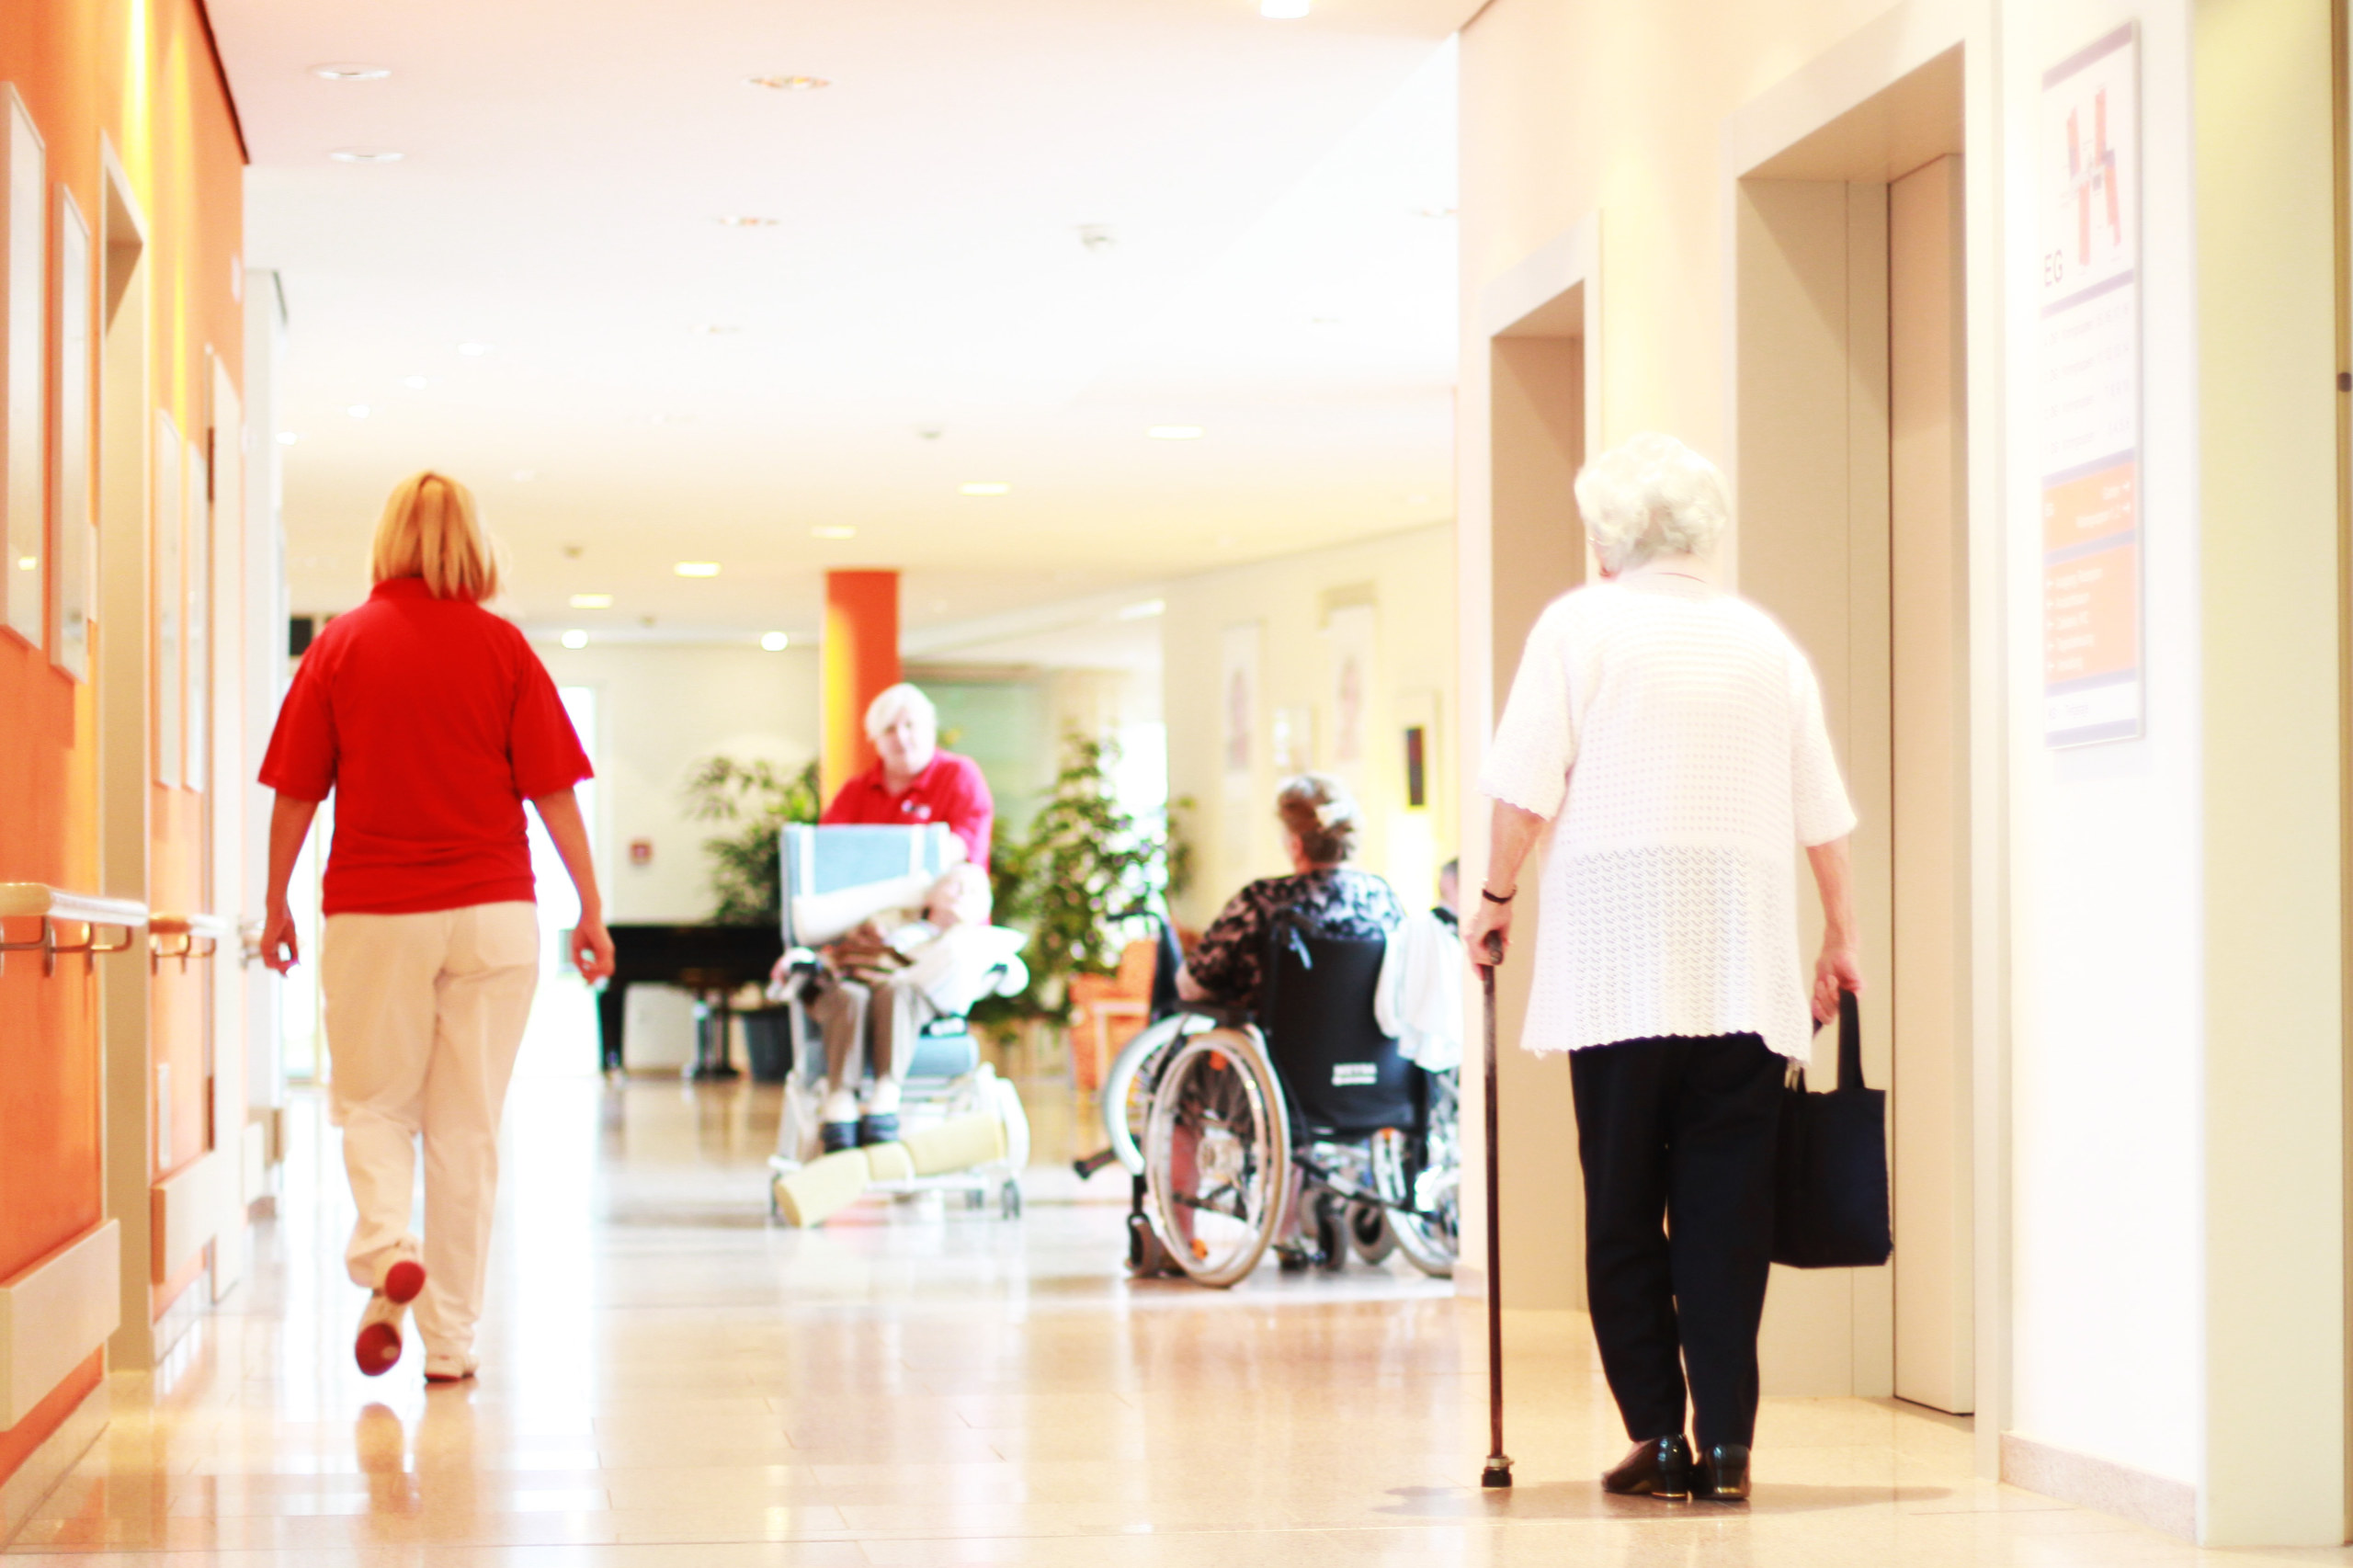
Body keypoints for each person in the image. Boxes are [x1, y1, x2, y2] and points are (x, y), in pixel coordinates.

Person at [1467, 432, 1859, 1505]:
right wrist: (1841, 937)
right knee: (1728, 1220)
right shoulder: (1760, 643)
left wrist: (1491, 899)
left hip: (1617, 980)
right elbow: (1821, 810)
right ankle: (1728, 1442)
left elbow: (1522, 788)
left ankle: (1659, 1436)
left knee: (1625, 1210)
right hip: (1742, 977)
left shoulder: (1578, 628)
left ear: (1607, 536)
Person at [257, 472, 614, 1386]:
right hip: (496, 912)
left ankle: (385, 1245)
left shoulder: (339, 643)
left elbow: (298, 788)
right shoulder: (504, 647)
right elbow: (554, 793)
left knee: (374, 1104)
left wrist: (275, 900)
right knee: (467, 1131)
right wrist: (591, 907)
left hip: (379, 910)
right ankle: (449, 1344)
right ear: (473, 542)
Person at [804, 863, 1023, 1148]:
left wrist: (960, 931)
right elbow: (846, 954)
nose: (963, 893)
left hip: (911, 1007)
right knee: (851, 995)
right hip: (854, 991)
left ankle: (885, 1094)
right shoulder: (887, 922)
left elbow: (1012, 977)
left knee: (898, 990)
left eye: (974, 891)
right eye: (955, 884)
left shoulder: (974, 944)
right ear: (930, 895)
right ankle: (841, 1099)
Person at [1176, 774, 1403, 1017]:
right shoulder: (1380, 897)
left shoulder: (1261, 899)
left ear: (1296, 844)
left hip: (1277, 1047)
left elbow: (1195, 984)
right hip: (1369, 1048)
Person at [821, 683, 995, 868]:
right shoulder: (855, 790)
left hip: (935, 886)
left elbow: (965, 843)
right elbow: (827, 847)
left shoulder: (959, 775)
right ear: (875, 739)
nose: (901, 737)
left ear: (931, 728)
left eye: (910, 725)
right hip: (867, 889)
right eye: (889, 729)